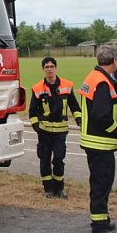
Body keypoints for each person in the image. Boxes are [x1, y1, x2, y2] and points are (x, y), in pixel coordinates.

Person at [79, 44, 117, 233]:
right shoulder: (103, 83)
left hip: (94, 141)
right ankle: (99, 226)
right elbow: (102, 115)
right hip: (100, 143)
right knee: (101, 184)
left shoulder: (94, 77)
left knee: (100, 183)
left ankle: (102, 219)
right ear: (114, 61)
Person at [29, 57, 82, 199]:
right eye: (46, 67)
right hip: (44, 132)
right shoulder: (37, 88)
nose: (49, 69)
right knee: (44, 159)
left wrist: (79, 119)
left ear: (56, 68)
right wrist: (37, 127)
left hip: (60, 131)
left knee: (59, 159)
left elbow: (75, 107)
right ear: (43, 69)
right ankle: (48, 189)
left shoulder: (66, 85)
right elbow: (32, 112)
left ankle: (59, 188)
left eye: (52, 66)